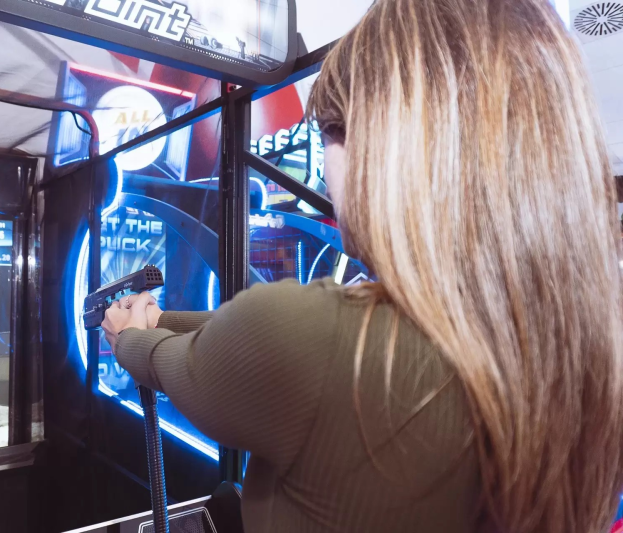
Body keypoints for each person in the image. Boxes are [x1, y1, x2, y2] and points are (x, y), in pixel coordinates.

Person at [101, 0, 623, 531]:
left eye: (330, 133)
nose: (326, 169)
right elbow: (248, 340)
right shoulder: (586, 345)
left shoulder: (314, 336)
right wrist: (163, 319)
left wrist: (128, 337)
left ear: (386, 146)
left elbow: (192, 367)